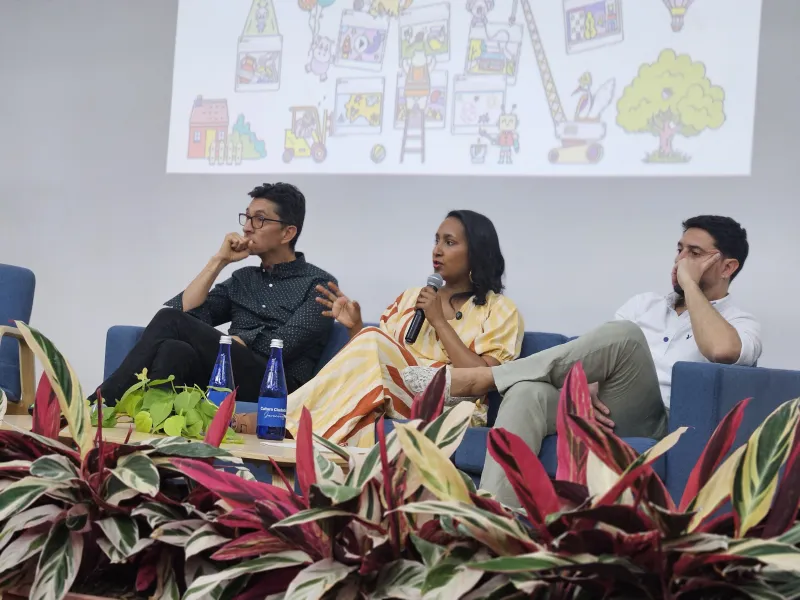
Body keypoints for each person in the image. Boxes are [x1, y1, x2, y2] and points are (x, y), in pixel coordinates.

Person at [445, 215, 762, 506]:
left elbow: (722, 351)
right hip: (605, 408)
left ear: (727, 267)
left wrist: (690, 284)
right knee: (527, 393)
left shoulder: (740, 323)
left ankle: (486, 378)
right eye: (680, 250)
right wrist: (588, 385)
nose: (680, 261)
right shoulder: (643, 305)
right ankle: (497, 519)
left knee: (626, 336)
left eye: (694, 254)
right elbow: (601, 355)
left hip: (661, 424)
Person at [232, 210, 524, 446]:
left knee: (371, 343)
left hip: (448, 406)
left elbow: (485, 378)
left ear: (476, 252)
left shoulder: (499, 309)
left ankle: (275, 417)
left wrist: (438, 321)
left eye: (449, 242)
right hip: (390, 393)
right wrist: (355, 328)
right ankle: (298, 442)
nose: (437, 250)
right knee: (369, 350)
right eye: (436, 241)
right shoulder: (410, 298)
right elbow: (374, 361)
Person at [90, 182, 336, 404]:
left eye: (259, 219)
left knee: (170, 321)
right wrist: (219, 261)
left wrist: (240, 341)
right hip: (228, 373)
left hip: (276, 383)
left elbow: (281, 346)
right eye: (247, 218)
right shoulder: (243, 279)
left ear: (287, 233)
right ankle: (157, 430)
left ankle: (100, 402)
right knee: (174, 349)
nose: (247, 228)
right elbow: (187, 313)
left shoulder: (319, 284)